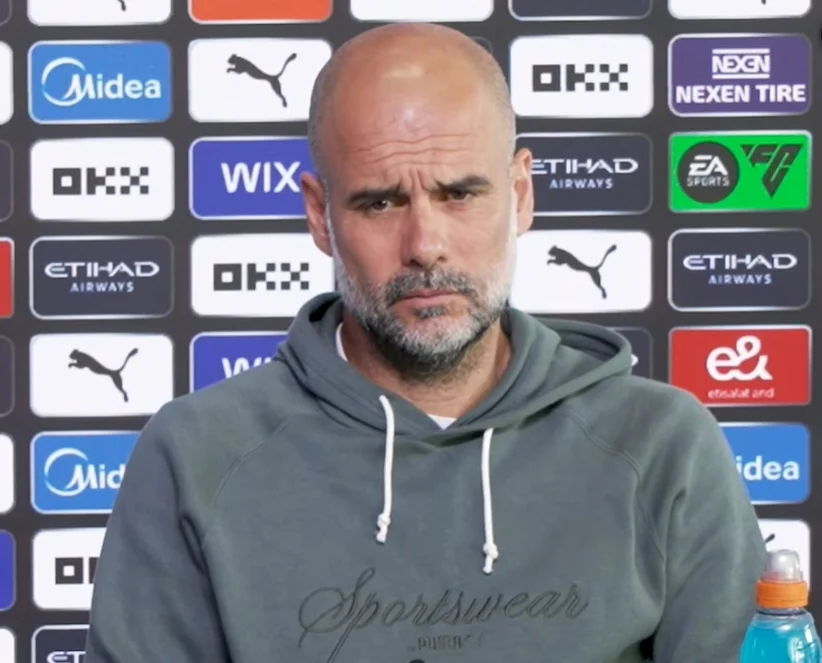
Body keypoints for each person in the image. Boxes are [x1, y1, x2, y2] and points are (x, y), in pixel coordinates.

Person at [85, 22, 765, 663]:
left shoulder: (662, 444)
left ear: (521, 194)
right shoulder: (195, 456)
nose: (425, 245)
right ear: (320, 216)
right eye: (380, 202)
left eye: (460, 194)